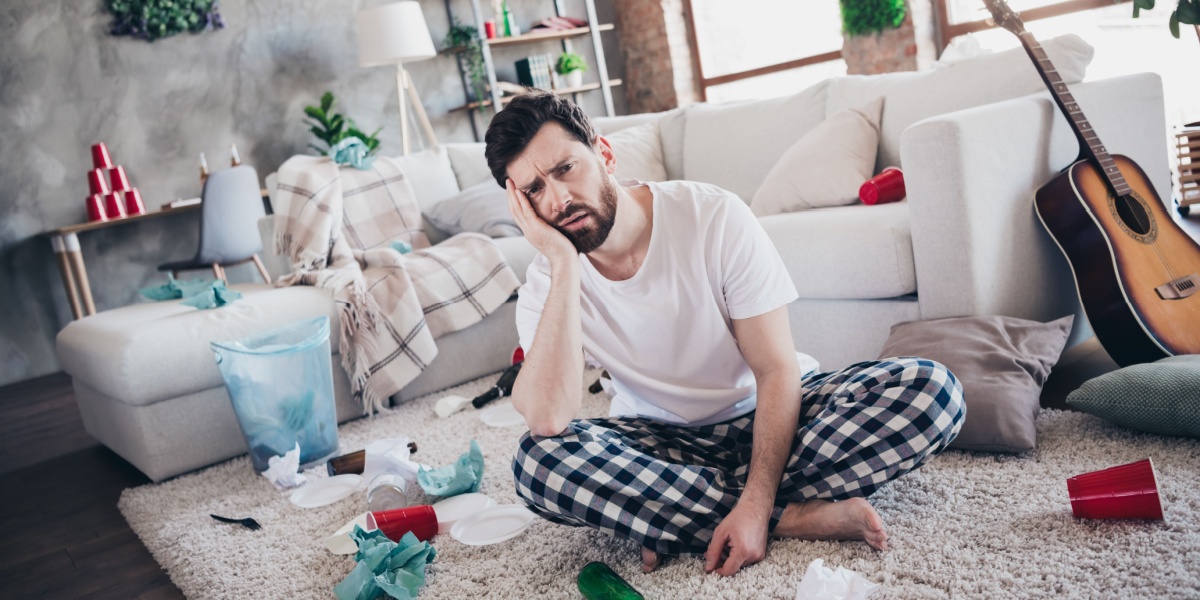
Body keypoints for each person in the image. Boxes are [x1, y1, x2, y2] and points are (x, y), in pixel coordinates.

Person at [485, 90, 965, 577]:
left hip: (769, 414)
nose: (558, 199)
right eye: (533, 191)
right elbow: (548, 418)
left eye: (565, 169)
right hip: (659, 442)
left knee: (933, 393)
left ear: (603, 153)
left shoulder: (712, 215)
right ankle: (792, 516)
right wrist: (564, 263)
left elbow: (775, 370)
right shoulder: (550, 276)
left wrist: (750, 506)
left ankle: (677, 516)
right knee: (536, 462)